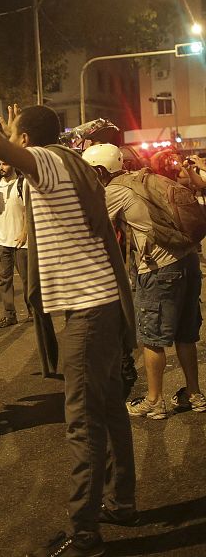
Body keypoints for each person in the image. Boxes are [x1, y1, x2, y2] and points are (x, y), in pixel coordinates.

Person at [0, 41, 137, 555]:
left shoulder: (43, 161)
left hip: (87, 310)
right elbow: (14, 142)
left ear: (26, 142)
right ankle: (121, 501)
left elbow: (2, 147)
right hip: (103, 303)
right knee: (109, 409)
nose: (11, 147)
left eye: (15, 134)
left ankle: (85, 535)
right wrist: (18, 123)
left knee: (82, 419)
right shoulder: (71, 161)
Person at [84, 143, 205, 419]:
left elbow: (89, 225)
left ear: (101, 171)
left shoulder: (114, 191)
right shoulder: (146, 177)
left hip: (159, 268)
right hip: (188, 261)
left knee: (152, 338)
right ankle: (195, 395)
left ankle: (154, 400)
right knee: (185, 335)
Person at [0, 163, 30, 327]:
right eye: (0, 163)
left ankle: (32, 312)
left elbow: (27, 210)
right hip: (1, 240)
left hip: (21, 241)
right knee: (4, 280)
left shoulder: (22, 183)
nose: (1, 167)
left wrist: (25, 232)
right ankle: (9, 315)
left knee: (27, 279)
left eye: (5, 163)